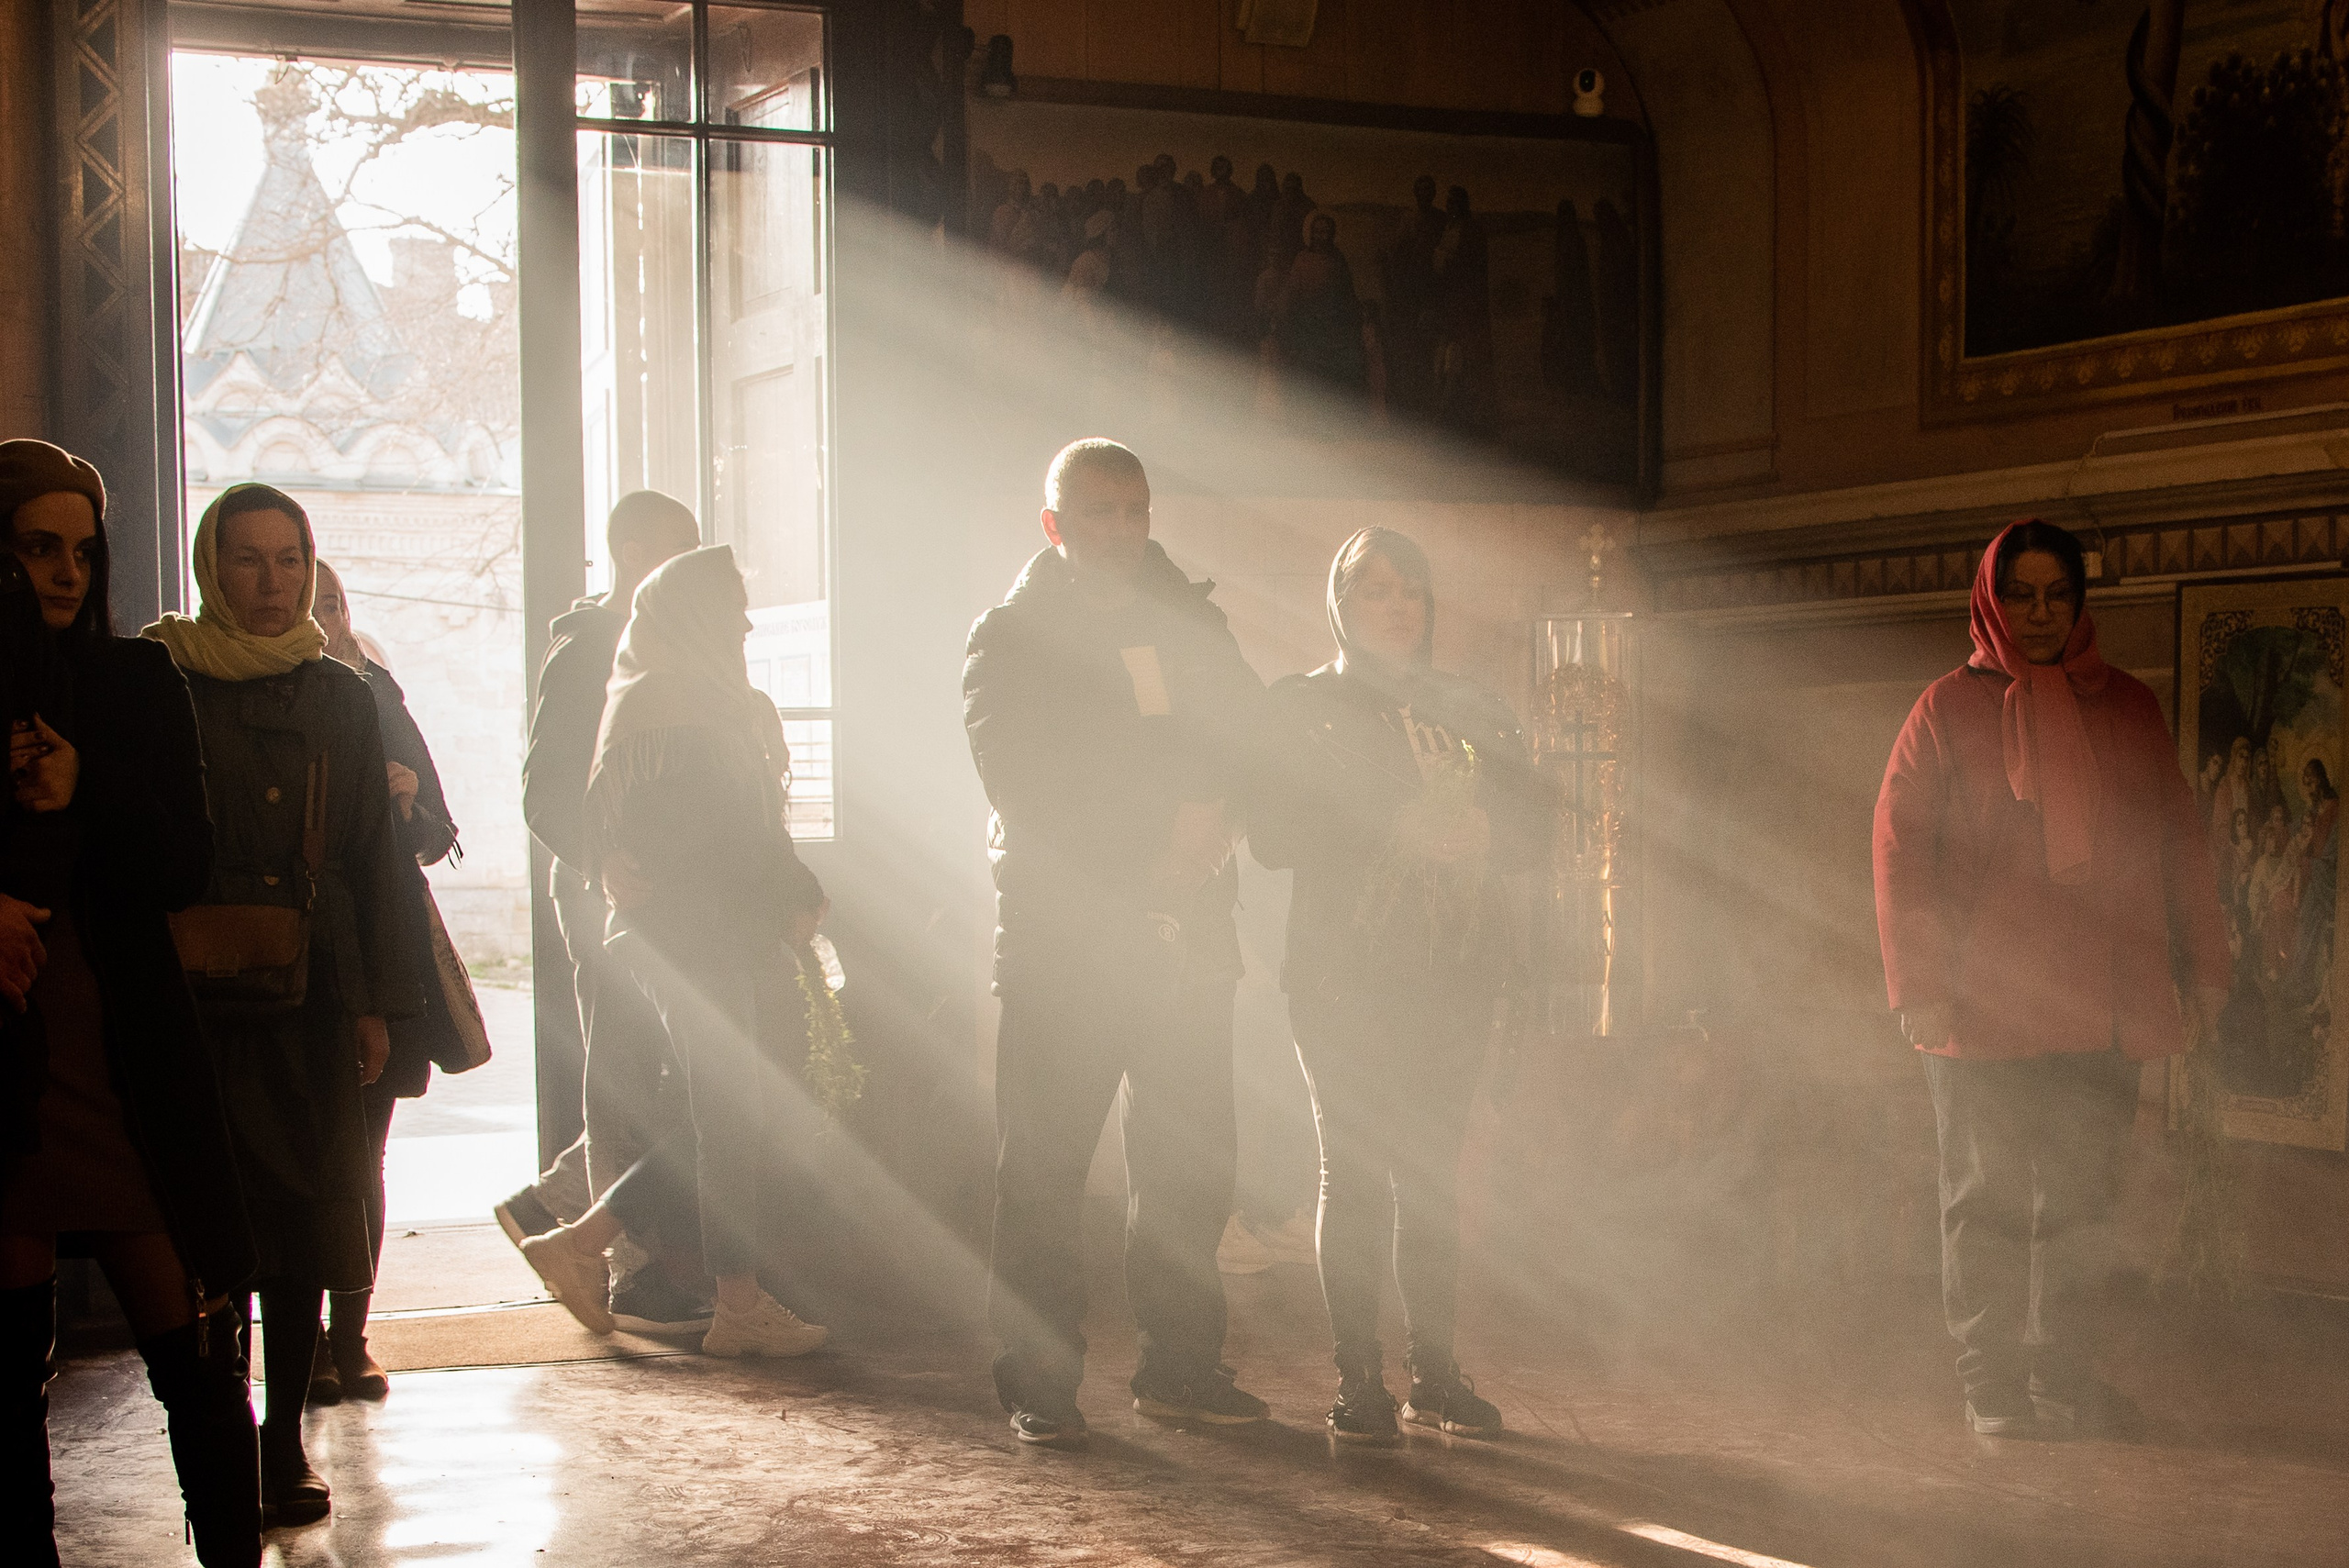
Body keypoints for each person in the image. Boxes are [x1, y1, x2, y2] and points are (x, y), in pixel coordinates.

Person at [1874, 517, 2229, 1440]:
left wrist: (2207, 966)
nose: (2038, 613)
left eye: (2056, 594)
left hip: (2096, 1002)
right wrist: (1917, 984)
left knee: (2079, 1202)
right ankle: (1990, 1381)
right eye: (2021, 594)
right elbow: (1900, 852)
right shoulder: (1945, 710)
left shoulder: (2128, 708)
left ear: (2078, 601)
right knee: (1983, 1199)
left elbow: (2177, 844)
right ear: (1992, 599)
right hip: (1980, 1001)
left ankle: (2061, 1374)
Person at [963, 439, 1270, 1449]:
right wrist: (1157, 844)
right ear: (1054, 525)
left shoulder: (1190, 619)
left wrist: (1212, 819)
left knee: (1190, 1165)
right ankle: (1040, 1380)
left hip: (1188, 932)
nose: (1124, 531)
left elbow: (1247, 733)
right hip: (1066, 943)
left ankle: (1180, 1366)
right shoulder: (1008, 638)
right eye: (1099, 513)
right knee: (1044, 1171)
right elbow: (1026, 784)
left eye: (1136, 510)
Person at [0, 441, 260, 1566]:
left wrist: (83, 784)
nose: (66, 571)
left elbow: (182, 861)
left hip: (118, 1054)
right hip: (8, 1063)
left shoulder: (133, 680)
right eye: (37, 547)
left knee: (193, 1352)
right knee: (13, 1373)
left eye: (83, 549)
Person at [145, 484, 422, 1522]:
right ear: (214, 566)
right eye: (250, 560)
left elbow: (372, 861)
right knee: (214, 1228)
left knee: (307, 1221)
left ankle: (281, 1440)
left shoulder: (341, 696)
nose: (273, 583)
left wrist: (377, 1004)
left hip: (310, 989)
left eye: (291, 559)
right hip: (195, 992)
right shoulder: (164, 675)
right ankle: (219, 1432)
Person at [1251, 527, 1538, 1444]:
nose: (1395, 606)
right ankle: (1356, 1378)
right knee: (1357, 1170)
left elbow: (1539, 829)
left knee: (1430, 1174)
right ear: (1340, 603)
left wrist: (1486, 836)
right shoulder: (1300, 707)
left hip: (1451, 970)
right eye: (1373, 591)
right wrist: (1391, 827)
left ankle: (1436, 1372)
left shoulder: (1472, 707)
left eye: (1408, 589)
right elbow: (1272, 836)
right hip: (1343, 973)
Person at [518, 545, 829, 1358]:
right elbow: (718, 838)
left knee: (717, 1113)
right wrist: (790, 893)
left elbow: (740, 828)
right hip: (692, 935)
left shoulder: (694, 700)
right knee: (730, 1115)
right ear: (692, 615)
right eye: (731, 605)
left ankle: (579, 1243)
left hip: (703, 931)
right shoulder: (672, 705)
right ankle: (737, 1303)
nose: (748, 620)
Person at [499, 490, 710, 1336]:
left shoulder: (679, 645)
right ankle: (627, 1268)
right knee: (621, 1075)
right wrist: (599, 859)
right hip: (598, 887)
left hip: (667, 894)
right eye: (669, 551)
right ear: (625, 552)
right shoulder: (589, 644)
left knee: (661, 1078)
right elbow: (543, 786)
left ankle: (547, 1202)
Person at [305, 561, 464, 1404]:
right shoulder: (217, 686)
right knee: (292, 1153)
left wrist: (406, 803)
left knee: (363, 1152)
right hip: (287, 955)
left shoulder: (376, 692)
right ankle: (291, 1345)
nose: (318, 611)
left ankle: (348, 1337)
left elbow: (440, 831)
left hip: (379, 946)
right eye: (307, 597)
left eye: (331, 599)